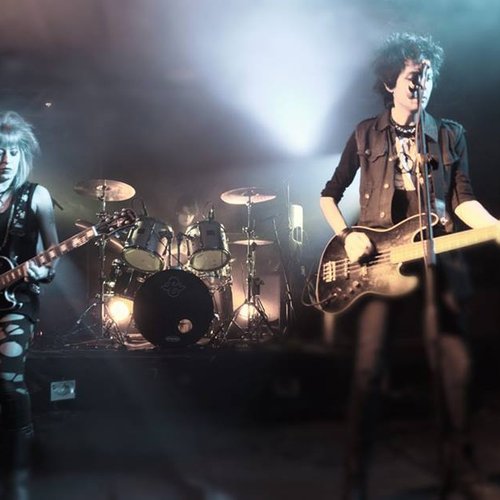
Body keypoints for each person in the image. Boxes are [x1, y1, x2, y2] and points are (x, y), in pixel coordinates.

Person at [319, 33, 500, 499]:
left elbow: (463, 200)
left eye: (428, 75)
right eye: (413, 76)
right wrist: (349, 235)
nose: (422, 84)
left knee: (456, 366)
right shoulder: (365, 133)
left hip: (437, 260)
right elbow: (329, 195)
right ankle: (355, 479)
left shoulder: (449, 134)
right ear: (390, 82)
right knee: (368, 370)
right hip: (379, 265)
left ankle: (461, 470)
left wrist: (495, 227)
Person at [0, 111, 59, 499]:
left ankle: (19, 474)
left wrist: (43, 272)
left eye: (13, 151)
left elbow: (53, 255)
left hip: (16, 300)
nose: (5, 160)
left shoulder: (35, 196)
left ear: (23, 156)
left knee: (7, 381)